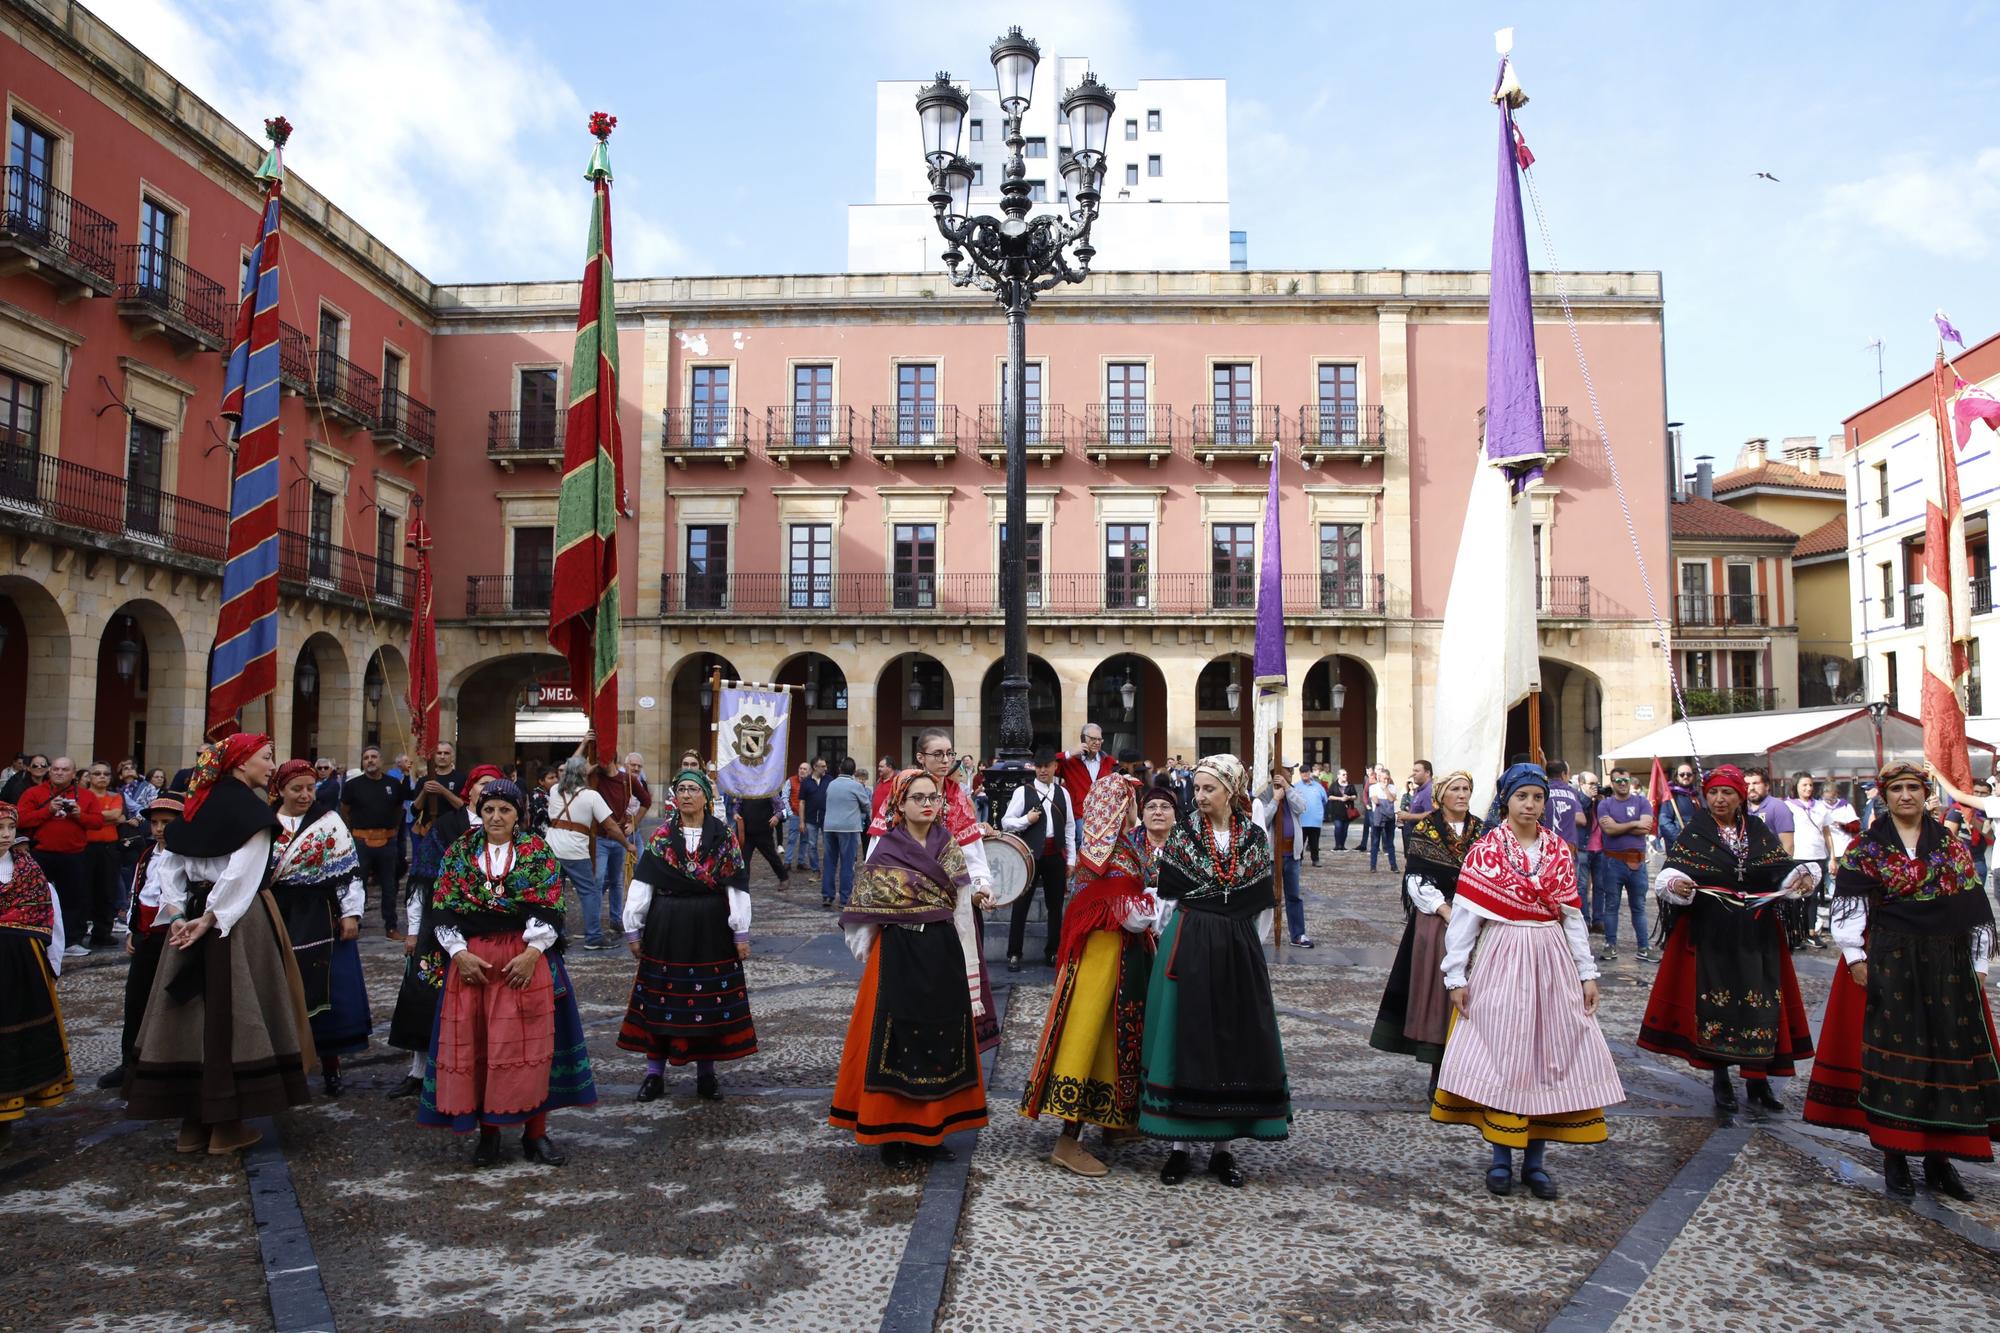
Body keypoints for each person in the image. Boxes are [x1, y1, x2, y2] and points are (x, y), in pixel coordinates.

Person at [1804, 762, 2000, 1201]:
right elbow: (1849, 905)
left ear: (1925, 793)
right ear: (1884, 796)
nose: (1906, 795)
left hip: (1947, 964)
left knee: (1944, 1055)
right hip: (1891, 959)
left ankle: (1939, 1159)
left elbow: (1972, 906)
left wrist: (1979, 964)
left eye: (1913, 787)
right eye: (1897, 789)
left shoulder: (1949, 846)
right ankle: (1895, 1155)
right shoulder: (1866, 848)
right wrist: (1855, 956)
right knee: (1897, 1057)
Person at [1431, 764, 1623, 1200]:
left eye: (1537, 797)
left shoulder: (1557, 851)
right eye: (1523, 797)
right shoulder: (1486, 852)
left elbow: (1573, 917)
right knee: (1504, 1052)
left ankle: (1535, 1162)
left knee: (1547, 1055)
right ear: (1507, 800)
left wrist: (1586, 972)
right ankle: (1501, 1157)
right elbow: (1465, 918)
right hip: (1503, 956)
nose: (1530, 805)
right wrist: (1455, 974)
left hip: (1551, 957)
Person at [124, 734, 314, 1156]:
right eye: (266, 758)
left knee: (190, 1016)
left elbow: (168, 866)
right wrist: (211, 919)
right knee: (234, 1012)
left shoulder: (195, 806)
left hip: (187, 922)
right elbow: (241, 876)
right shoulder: (251, 812)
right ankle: (226, 1125)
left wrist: (178, 916)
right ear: (241, 763)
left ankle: (192, 1125)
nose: (270, 766)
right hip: (237, 922)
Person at [418, 779, 595, 1165]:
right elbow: (443, 906)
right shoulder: (460, 852)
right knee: (480, 1045)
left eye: (505, 810)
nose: (496, 817)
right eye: (489, 809)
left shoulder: (536, 852)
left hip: (524, 958)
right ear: (479, 812)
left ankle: (537, 1134)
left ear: (519, 815)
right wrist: (458, 954)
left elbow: (550, 905)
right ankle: (489, 1135)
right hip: (473, 961)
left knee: (532, 1046)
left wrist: (533, 953)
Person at [1140, 754, 1291, 1186]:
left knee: (1233, 1039)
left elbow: (1262, 902)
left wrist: (1243, 945)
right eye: (1198, 788)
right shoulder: (1184, 835)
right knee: (1186, 1035)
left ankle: (1224, 1150)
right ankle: (1178, 1147)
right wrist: (1175, 941)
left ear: (1231, 790)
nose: (1200, 796)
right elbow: (1168, 900)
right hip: (1189, 940)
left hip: (1237, 946)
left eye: (1209, 789)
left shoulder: (1253, 837)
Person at [830, 768, 991, 1164]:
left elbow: (961, 909)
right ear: (899, 805)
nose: (927, 804)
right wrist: (868, 952)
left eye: (933, 798)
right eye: (917, 798)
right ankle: (892, 1135)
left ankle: (931, 1132)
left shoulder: (949, 846)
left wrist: (969, 964)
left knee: (939, 1038)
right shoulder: (885, 849)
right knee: (897, 1039)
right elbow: (864, 910)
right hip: (898, 951)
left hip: (941, 950)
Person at [1638, 765, 1819, 1113]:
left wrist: (1800, 878)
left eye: (1728, 793)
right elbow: (1672, 872)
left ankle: (1758, 1080)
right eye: (1714, 793)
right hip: (1712, 934)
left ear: (1740, 797)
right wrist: (1677, 884)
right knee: (1716, 1003)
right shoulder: (1697, 831)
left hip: (1757, 934)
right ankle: (1720, 1077)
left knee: (1759, 1004)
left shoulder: (1758, 830)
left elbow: (1779, 867)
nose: (1720, 799)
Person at [1020, 774, 1158, 1176]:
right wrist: (1155, 906)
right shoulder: (1115, 854)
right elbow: (1133, 914)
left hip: (1117, 960)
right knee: (1089, 1038)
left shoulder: (1111, 848)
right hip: (1103, 963)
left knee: (1116, 1039)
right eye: (1131, 801)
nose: (1135, 808)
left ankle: (1114, 1123)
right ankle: (1068, 1140)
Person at [618, 768, 754, 1102]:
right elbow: (644, 882)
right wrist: (633, 927)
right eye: (681, 789)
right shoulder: (662, 837)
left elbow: (736, 885)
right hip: (667, 925)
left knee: (709, 999)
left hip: (711, 927)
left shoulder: (723, 837)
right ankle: (654, 1074)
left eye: (693, 789)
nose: (687, 795)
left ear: (706, 797)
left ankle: (706, 1074)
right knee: (661, 997)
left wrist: (741, 930)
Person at [385, 765, 500, 1100]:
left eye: (495, 786)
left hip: (485, 931)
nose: (489, 792)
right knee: (423, 996)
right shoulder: (447, 826)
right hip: (439, 927)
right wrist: (413, 930)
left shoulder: (505, 826)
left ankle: (476, 1070)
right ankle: (418, 1072)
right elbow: (422, 881)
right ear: (470, 790)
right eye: (483, 785)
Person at [267, 760, 371, 1099]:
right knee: (279, 989)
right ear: (280, 789)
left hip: (320, 912)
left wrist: (350, 914)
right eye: (296, 789)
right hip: (276, 910)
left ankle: (331, 1065)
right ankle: (281, 1067)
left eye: (310, 788)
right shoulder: (264, 823)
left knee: (326, 990)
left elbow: (348, 871)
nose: (305, 795)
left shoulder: (330, 822)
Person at [1370, 771, 1482, 1080]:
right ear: (1441, 796)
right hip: (1437, 921)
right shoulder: (1425, 830)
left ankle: (1472, 1067)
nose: (1462, 794)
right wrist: (1446, 911)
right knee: (1438, 992)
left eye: (1466, 789)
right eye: (1455, 789)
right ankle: (1439, 1069)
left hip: (1477, 920)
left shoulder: (1482, 831)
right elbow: (1416, 880)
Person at [99, 790, 182, 1091]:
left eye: (167, 822)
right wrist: (133, 928)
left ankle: (166, 1065)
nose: (159, 829)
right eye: (155, 823)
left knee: (169, 1003)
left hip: (170, 937)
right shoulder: (148, 855)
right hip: (146, 937)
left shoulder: (186, 856)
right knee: (135, 1000)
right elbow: (138, 892)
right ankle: (129, 1062)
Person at [0, 800, 70, 1150]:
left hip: (21, 970)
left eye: (9, 829)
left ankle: (7, 1117)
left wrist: (51, 963)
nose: (4, 836)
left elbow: (48, 913)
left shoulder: (27, 869)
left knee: (15, 1038)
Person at [18, 757, 105, 958]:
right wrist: (47, 811)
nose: (59, 772)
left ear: (74, 774)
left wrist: (79, 815)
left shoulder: (86, 796)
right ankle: (35, 937)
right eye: (55, 769)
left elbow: (97, 822)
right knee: (36, 898)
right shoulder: (34, 793)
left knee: (74, 900)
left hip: (74, 855)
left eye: (65, 769)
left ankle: (71, 941)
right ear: (50, 772)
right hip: (41, 853)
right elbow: (21, 819)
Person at [1001, 748, 1078, 971]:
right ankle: (1014, 953)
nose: (1043, 770)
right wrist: (1027, 819)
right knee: (1021, 904)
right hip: (1029, 856)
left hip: (1056, 855)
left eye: (1047, 766)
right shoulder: (1022, 792)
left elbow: (1071, 827)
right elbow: (1006, 822)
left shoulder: (1063, 793)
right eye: (1039, 766)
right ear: (1035, 768)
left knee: (1055, 907)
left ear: (1055, 766)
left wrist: (1071, 859)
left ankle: (1053, 951)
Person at [545, 755, 632, 950]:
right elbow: (611, 827)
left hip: (551, 848)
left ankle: (557, 934)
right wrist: (627, 845)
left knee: (554, 894)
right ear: (583, 773)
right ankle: (593, 937)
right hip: (575, 852)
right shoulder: (591, 796)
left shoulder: (554, 791)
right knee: (589, 893)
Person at [342, 746, 413, 940]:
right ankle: (356, 921)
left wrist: (393, 829)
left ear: (381, 761)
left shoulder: (392, 783)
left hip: (387, 841)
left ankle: (391, 926)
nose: (370, 761)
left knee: (389, 885)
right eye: (366, 758)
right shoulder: (353, 785)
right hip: (361, 841)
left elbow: (400, 806)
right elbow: (345, 810)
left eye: (374, 757)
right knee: (358, 883)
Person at [1593, 769, 1654, 964]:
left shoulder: (1642, 802)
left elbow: (1646, 826)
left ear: (1629, 781)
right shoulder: (1605, 804)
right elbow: (1608, 829)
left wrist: (1621, 825)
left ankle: (1644, 947)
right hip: (1613, 862)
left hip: (1637, 861)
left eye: (1625, 780)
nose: (1622, 783)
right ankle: (1610, 945)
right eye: (1618, 780)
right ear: (1612, 782)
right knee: (1611, 906)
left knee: (1639, 906)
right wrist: (1633, 824)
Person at [590, 743, 652, 927]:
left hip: (620, 837)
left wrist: (634, 822)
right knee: (599, 878)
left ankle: (616, 919)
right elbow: (577, 774)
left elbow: (646, 801)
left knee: (616, 880)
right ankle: (593, 921)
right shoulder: (595, 778)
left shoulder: (627, 779)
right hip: (601, 837)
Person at [1255, 764, 1314, 948]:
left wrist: (1287, 789)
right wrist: (1274, 799)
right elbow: (1262, 819)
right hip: (1272, 855)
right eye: (1288, 769)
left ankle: (1298, 934)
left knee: (1293, 895)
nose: (1291, 772)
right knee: (1263, 895)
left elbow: (1302, 807)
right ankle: (1256, 933)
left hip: (1291, 853)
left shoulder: (1294, 790)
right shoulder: (1264, 794)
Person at [79, 761, 127, 949]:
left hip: (109, 848)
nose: (102, 777)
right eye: (97, 773)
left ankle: (102, 933)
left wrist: (93, 817)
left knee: (107, 891)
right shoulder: (82, 796)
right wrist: (103, 817)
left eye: (106, 774)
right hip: (86, 847)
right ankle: (79, 933)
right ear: (89, 777)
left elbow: (116, 815)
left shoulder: (115, 796)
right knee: (84, 891)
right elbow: (83, 817)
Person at [821, 757, 872, 910]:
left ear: (840, 769)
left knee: (829, 862)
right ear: (853, 771)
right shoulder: (856, 786)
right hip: (848, 827)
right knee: (847, 863)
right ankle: (844, 898)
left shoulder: (831, 784)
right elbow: (866, 805)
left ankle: (827, 895)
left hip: (829, 826)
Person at [1744, 767, 1794, 854]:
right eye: (1747, 784)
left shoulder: (1778, 807)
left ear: (1766, 786)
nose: (1751, 787)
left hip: (1772, 864)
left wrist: (1786, 866)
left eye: (1756, 783)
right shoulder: (1741, 807)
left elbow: (1788, 845)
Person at [1365, 765, 1400, 874]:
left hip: (1389, 818)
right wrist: (1385, 801)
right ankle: (1373, 866)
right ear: (1379, 777)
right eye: (1384, 778)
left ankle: (1393, 866)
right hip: (1378, 817)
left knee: (1390, 842)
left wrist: (1385, 789)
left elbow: (1391, 799)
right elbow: (1375, 801)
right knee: (1375, 842)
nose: (1385, 780)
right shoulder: (1373, 787)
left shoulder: (1392, 787)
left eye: (1387, 778)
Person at [1657, 763, 1700, 847]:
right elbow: (1664, 822)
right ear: (1676, 777)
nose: (1685, 776)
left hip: (1698, 845)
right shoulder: (1671, 796)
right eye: (1682, 774)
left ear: (1693, 776)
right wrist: (1680, 839)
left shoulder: (1697, 795)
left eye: (1689, 774)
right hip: (1679, 846)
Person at [1294, 766, 1327, 866]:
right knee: (1300, 842)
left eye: (1306, 772)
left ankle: (1315, 860)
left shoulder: (1318, 786)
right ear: (1300, 774)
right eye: (1302, 772)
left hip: (1315, 820)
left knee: (1314, 842)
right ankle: (1299, 859)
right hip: (1301, 819)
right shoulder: (1296, 786)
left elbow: (1325, 800)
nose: (1304, 774)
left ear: (1310, 773)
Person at [1329, 767, 1359, 851]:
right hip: (1336, 811)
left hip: (1347, 812)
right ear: (1338, 776)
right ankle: (1337, 845)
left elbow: (1355, 796)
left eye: (1346, 774)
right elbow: (1330, 796)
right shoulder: (1334, 785)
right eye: (1343, 774)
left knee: (1345, 829)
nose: (1345, 776)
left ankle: (1342, 845)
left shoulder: (1350, 785)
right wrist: (1340, 799)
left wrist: (1349, 797)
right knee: (1338, 827)